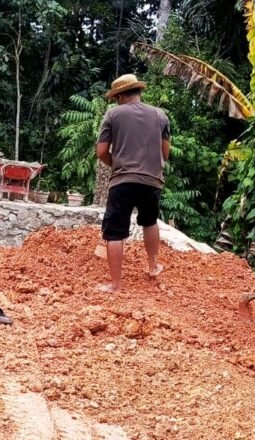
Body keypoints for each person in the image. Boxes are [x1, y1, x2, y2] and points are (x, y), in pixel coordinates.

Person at [95, 74, 170, 292]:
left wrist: (116, 163)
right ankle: (153, 266)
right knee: (150, 222)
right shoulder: (160, 115)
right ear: (138, 91)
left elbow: (101, 151)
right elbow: (165, 153)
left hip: (123, 180)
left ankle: (116, 285)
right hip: (152, 181)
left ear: (119, 96)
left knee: (115, 231)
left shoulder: (113, 114)